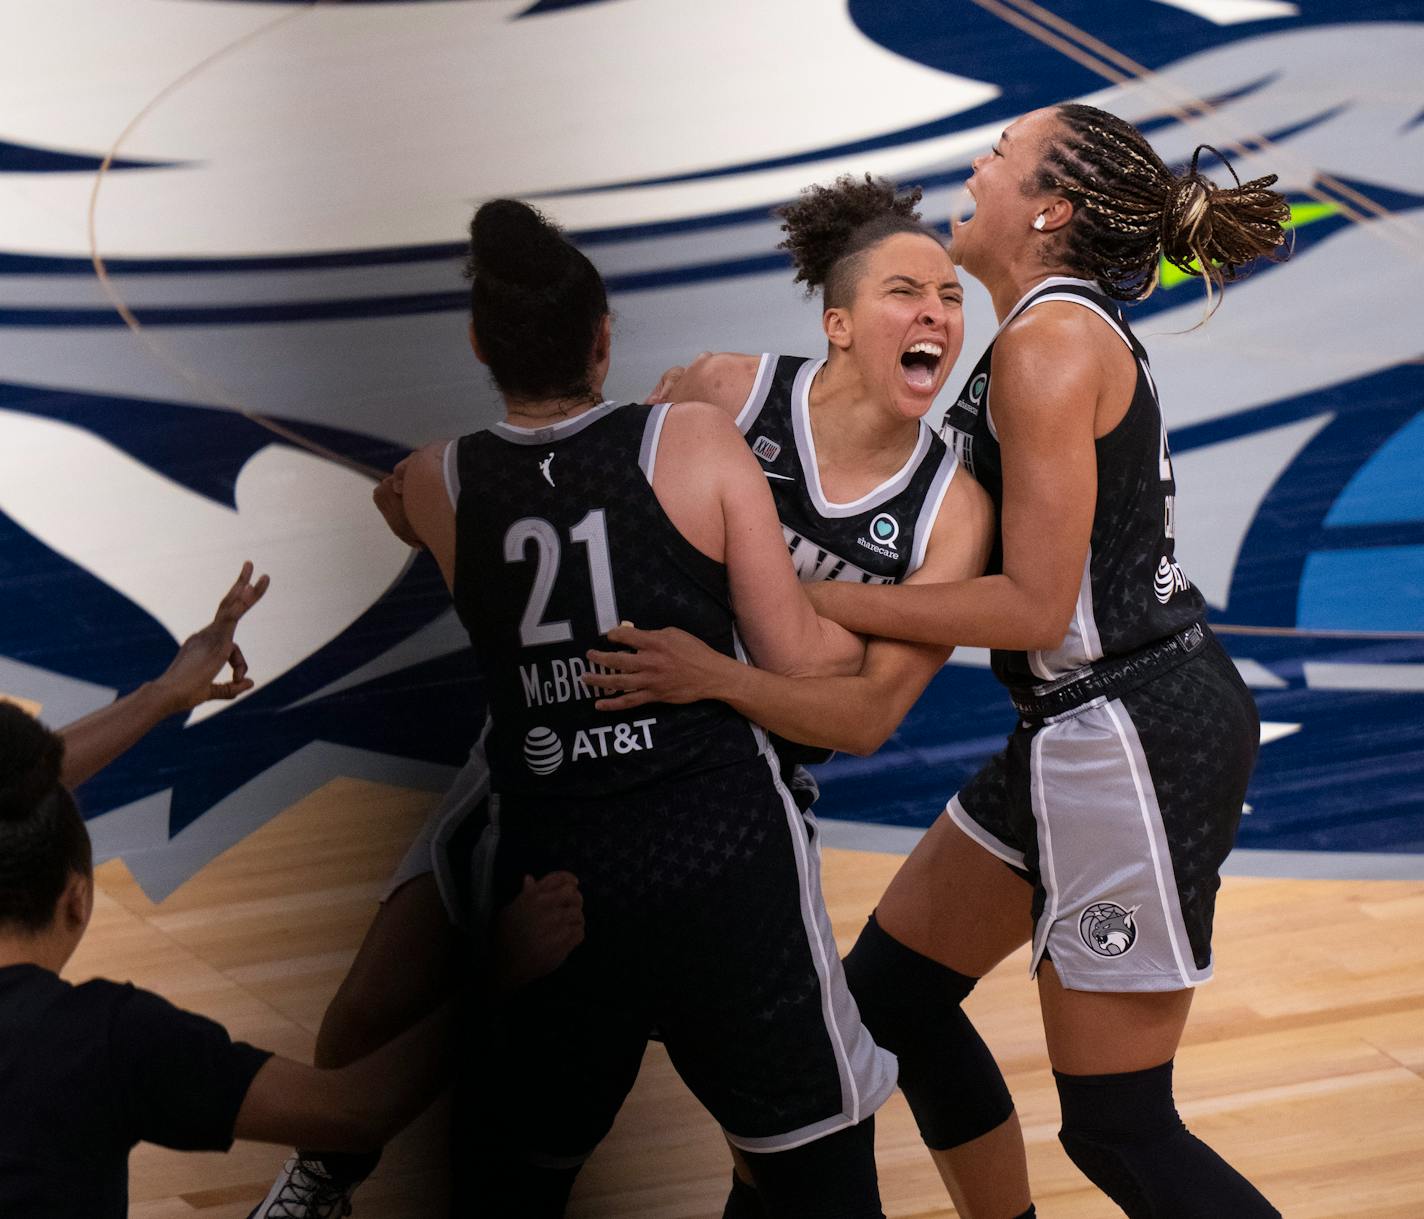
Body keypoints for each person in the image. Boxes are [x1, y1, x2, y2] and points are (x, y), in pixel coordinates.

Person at [601, 105, 1291, 1219]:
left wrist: (778, 586)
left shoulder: (1047, 343)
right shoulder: (1040, 334)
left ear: (1046, 208)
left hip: (1128, 734)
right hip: (1078, 727)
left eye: (1001, 155)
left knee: (1119, 1125)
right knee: (886, 1003)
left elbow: (1032, 603)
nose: (978, 164)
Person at [378, 196, 905, 1219]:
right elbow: (793, 657)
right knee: (818, 1177)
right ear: (604, 336)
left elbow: (423, 511)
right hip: (720, 856)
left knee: (516, 1183)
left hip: (556, 887)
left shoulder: (439, 481)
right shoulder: (697, 444)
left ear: (480, 344)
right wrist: (900, 618)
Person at [590, 174, 1031, 1218]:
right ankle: (322, 1167)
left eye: (948, 297)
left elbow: (869, 718)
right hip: (599, 763)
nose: (936, 312)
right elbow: (599, 561)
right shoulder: (722, 394)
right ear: (837, 325)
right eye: (902, 293)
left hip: (744, 814)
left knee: (797, 1134)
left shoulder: (951, 512)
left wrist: (714, 676)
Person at [0, 702, 453, 1219]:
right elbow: (357, 1110)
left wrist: (164, 692)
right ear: (78, 900)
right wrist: (500, 973)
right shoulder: (108, 1039)